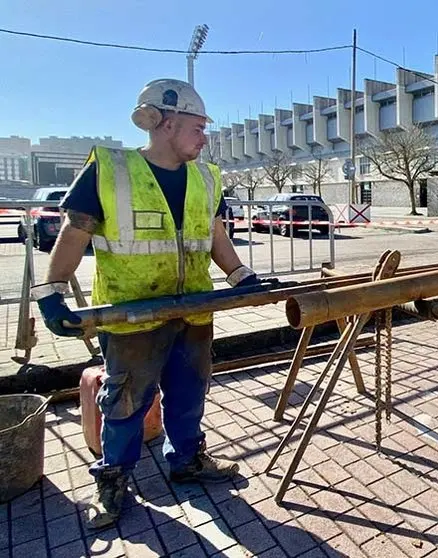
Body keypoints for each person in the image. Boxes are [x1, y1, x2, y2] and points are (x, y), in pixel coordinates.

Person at [31, 79, 265, 529]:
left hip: (192, 310)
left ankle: (187, 461)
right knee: (124, 403)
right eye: (197, 128)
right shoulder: (111, 169)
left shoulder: (206, 176)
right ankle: (113, 482)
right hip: (130, 314)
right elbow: (75, 232)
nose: (204, 138)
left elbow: (216, 235)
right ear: (165, 122)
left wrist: (242, 276)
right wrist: (52, 291)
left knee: (189, 392)